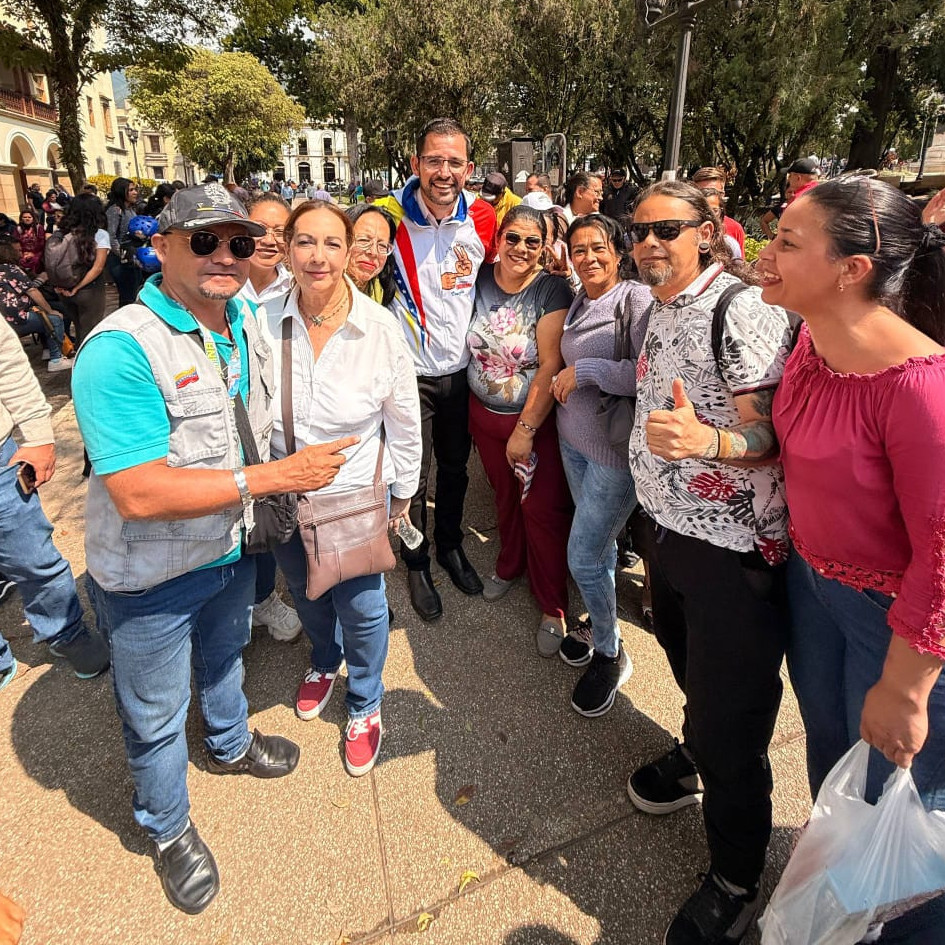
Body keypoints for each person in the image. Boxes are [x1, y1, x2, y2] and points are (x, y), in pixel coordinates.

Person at [72, 183, 355, 914]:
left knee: (226, 654)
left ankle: (229, 744)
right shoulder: (120, 349)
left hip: (227, 547)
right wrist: (274, 478)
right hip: (149, 574)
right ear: (159, 247)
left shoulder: (242, 320)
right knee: (155, 711)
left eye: (235, 241)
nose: (224, 255)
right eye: (202, 241)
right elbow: (136, 491)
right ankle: (166, 825)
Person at [760, 176, 945, 943]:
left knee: (906, 808)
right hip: (814, 589)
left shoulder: (921, 391)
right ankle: (837, 912)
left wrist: (905, 688)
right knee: (836, 768)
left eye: (785, 243)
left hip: (894, 627)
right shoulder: (811, 340)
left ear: (851, 268)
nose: (762, 255)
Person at [624, 180, 793, 945]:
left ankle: (734, 878)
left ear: (704, 233)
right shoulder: (660, 305)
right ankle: (696, 749)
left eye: (666, 228)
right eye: (639, 230)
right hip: (667, 532)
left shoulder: (740, 309)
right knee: (686, 667)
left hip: (731, 553)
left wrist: (709, 443)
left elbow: (773, 439)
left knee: (734, 723)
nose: (649, 242)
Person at [259, 200, 421, 776]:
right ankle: (324, 661)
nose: (318, 256)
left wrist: (402, 493)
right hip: (281, 491)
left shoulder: (378, 329)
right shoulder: (262, 317)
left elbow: (403, 418)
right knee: (305, 591)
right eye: (305, 242)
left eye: (333, 243)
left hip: (351, 494)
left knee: (361, 604)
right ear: (288, 248)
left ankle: (366, 700)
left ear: (351, 251)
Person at [378, 117, 497, 621]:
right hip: (408, 374)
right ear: (415, 164)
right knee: (413, 474)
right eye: (433, 160)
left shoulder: (486, 218)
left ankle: (449, 545)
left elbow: (506, 270)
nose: (443, 171)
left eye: (454, 162)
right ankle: (416, 560)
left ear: (468, 168)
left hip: (462, 372)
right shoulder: (385, 219)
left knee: (455, 468)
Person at [550, 214, 650, 714]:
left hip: (614, 455)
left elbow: (650, 372)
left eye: (598, 248)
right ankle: (599, 618)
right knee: (601, 550)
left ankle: (611, 654)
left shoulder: (635, 300)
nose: (588, 257)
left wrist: (584, 371)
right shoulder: (580, 298)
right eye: (579, 249)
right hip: (574, 445)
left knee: (583, 557)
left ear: (618, 250)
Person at [467, 205, 574, 652]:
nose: (521, 249)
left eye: (533, 242)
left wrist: (527, 428)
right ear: (499, 240)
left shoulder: (551, 290)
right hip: (482, 417)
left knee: (541, 509)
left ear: (546, 248)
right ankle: (509, 564)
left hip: (531, 424)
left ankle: (553, 604)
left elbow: (551, 362)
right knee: (505, 498)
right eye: (513, 238)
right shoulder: (478, 279)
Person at [0, 316, 109, 693]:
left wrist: (38, 435)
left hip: (1, 461)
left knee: (31, 556)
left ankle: (66, 632)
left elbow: (9, 365)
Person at [236, 192, 301, 644]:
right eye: (261, 229)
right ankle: (233, 616)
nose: (271, 239)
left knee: (263, 520)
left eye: (281, 231)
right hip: (226, 418)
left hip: (274, 426)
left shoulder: (297, 286)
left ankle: (262, 600)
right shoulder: (221, 279)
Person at [44, 193, 109, 345]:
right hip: (89, 289)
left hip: (65, 288)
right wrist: (78, 287)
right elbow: (98, 267)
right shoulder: (99, 235)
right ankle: (87, 366)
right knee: (91, 332)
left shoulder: (62, 233)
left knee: (79, 328)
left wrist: (67, 287)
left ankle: (78, 363)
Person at [0, 238, 71, 371]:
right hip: (16, 319)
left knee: (40, 314)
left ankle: (47, 350)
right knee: (54, 319)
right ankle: (56, 359)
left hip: (3, 320)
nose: (21, 254)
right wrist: (50, 310)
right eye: (18, 251)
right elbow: (32, 290)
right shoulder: (10, 269)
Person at [345, 203, 397, 305]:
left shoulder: (383, 296)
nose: (373, 252)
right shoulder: (315, 293)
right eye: (364, 240)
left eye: (382, 246)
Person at [691, 166, 745, 257]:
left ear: (722, 194)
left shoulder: (735, 229)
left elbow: (739, 267)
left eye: (713, 192)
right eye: (701, 192)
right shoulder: (683, 225)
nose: (707, 197)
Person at [105, 177, 142, 306]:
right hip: (121, 261)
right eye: (131, 190)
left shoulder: (130, 210)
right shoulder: (115, 210)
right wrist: (122, 255)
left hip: (133, 256)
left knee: (134, 293)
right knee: (127, 297)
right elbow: (111, 237)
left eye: (135, 189)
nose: (135, 192)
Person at [14, 209, 44, 275]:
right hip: (23, 253)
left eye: (29, 217)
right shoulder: (18, 229)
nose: (27, 219)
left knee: (35, 261)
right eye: (24, 217)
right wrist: (23, 254)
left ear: (33, 218)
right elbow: (16, 242)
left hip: (37, 252)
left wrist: (33, 253)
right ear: (21, 219)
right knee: (21, 262)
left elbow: (41, 242)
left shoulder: (39, 227)